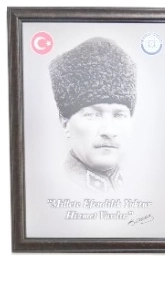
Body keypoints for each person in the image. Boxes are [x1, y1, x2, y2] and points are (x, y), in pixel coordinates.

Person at [50, 36, 136, 193]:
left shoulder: (138, 185)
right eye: (93, 115)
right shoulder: (52, 186)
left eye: (119, 115)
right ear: (65, 123)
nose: (109, 131)